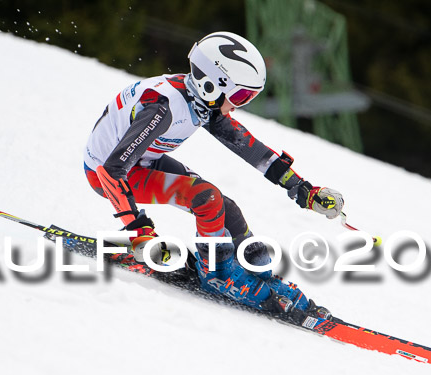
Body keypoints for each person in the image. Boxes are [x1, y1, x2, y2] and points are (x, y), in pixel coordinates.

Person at [83, 31, 343, 324]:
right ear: (212, 85)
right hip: (111, 173)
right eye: (241, 96)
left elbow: (250, 149)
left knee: (225, 208)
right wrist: (139, 230)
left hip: (142, 163)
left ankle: (258, 270)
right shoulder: (163, 108)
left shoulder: (200, 101)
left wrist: (301, 189)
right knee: (206, 198)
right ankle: (217, 275)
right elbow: (111, 169)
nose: (239, 105)